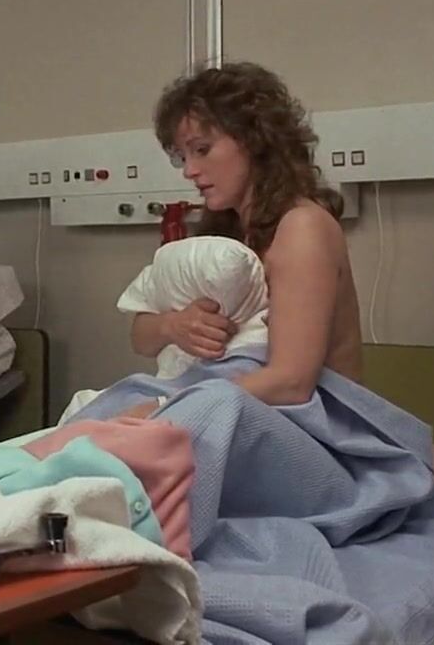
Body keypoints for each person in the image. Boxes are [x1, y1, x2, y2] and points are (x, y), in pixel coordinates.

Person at [128, 62, 363, 407]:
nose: (189, 171)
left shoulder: (303, 228)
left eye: (202, 150)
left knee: (126, 427)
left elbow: (292, 383)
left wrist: (169, 407)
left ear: (254, 141)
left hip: (313, 422)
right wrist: (172, 326)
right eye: (182, 156)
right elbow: (141, 337)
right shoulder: (224, 236)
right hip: (237, 403)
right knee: (96, 420)